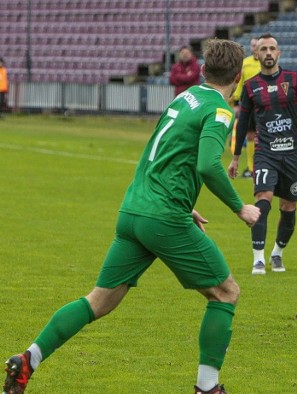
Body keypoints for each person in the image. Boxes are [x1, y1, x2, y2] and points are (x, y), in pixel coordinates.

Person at [3, 38, 261, 394]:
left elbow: (164, 155)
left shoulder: (183, 99)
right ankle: (208, 388)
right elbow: (206, 165)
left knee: (100, 300)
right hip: (164, 217)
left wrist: (185, 202)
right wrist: (240, 207)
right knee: (226, 293)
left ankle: (28, 359)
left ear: (203, 70)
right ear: (238, 75)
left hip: (134, 209)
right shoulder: (218, 111)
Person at [227, 33, 297, 275]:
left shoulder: (293, 78)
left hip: (292, 154)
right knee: (263, 199)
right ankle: (258, 258)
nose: (268, 53)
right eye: (264, 49)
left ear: (278, 53)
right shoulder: (250, 87)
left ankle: (277, 253)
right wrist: (236, 157)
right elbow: (243, 121)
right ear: (256, 55)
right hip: (265, 153)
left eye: (272, 49)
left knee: (289, 207)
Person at [230, 38, 261, 178]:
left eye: (257, 45)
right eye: (253, 45)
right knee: (250, 135)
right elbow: (240, 84)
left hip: (263, 104)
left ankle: (262, 165)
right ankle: (251, 167)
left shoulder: (266, 63)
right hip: (249, 104)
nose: (254, 48)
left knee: (262, 135)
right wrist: (236, 103)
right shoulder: (246, 63)